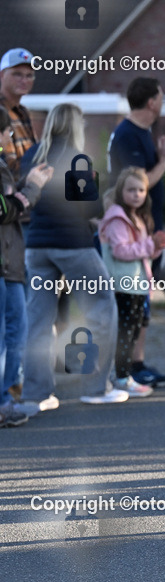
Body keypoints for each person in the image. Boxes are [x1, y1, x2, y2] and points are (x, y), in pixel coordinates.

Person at [19, 103, 127, 414]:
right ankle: (96, 387)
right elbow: (90, 210)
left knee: (38, 321)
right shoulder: (76, 158)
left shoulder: (32, 155)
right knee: (102, 309)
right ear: (76, 126)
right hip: (73, 245)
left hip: (36, 247)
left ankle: (36, 394)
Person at [107, 77, 165, 386]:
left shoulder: (143, 133)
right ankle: (130, 367)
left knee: (143, 302)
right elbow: (135, 183)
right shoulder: (126, 135)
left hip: (148, 230)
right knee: (133, 304)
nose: (162, 102)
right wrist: (164, 161)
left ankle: (138, 364)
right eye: (161, 97)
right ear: (151, 102)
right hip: (133, 234)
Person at [99, 167, 165, 396]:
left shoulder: (138, 218)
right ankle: (121, 378)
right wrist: (150, 245)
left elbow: (143, 253)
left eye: (141, 190)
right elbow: (121, 251)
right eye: (131, 189)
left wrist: (156, 247)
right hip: (123, 286)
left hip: (137, 285)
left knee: (132, 334)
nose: (137, 194)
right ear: (121, 191)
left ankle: (124, 375)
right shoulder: (117, 218)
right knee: (125, 333)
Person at [0, 108, 52, 426]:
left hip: (11, 262)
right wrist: (31, 187)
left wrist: (28, 183)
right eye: (6, 132)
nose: (9, 138)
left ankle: (7, 397)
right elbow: (5, 209)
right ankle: (4, 401)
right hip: (4, 262)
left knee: (16, 331)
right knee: (8, 335)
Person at [0, 48, 38, 178]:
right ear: (2, 75)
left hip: (25, 191)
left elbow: (32, 156)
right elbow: (6, 164)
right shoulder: (1, 112)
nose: (24, 80)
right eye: (17, 74)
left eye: (29, 75)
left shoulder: (23, 112)